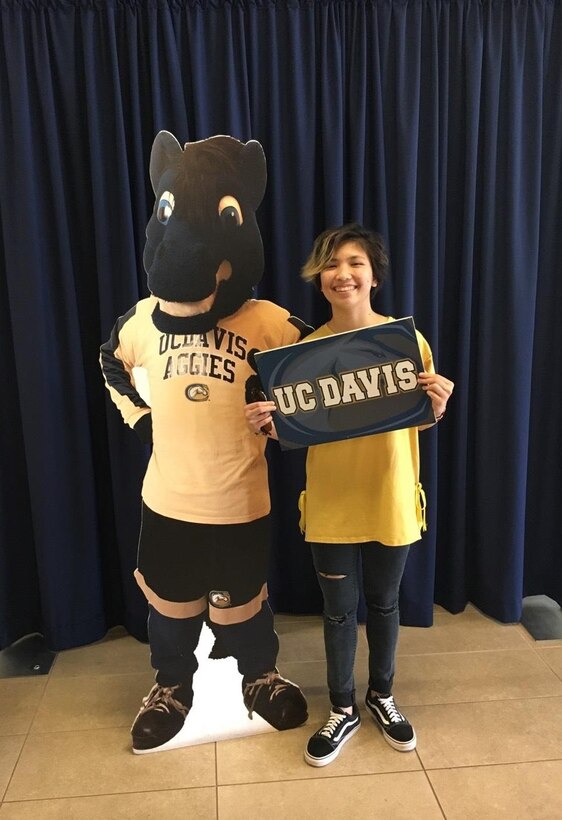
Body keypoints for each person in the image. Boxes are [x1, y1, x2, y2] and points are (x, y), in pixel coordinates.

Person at [100, 131, 310, 753]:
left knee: (244, 603)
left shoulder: (269, 321)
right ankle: (172, 686)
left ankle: (258, 677)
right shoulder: (141, 317)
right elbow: (111, 361)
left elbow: (321, 378)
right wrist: (140, 419)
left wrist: (287, 421)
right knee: (169, 609)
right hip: (167, 502)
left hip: (241, 501)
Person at [245, 223, 454, 767]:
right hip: (332, 503)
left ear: (374, 275)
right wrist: (268, 425)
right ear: (320, 280)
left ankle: (382, 695)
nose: (343, 274)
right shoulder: (301, 356)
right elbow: (293, 428)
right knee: (339, 612)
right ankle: (342, 706)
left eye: (355, 262)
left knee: (385, 604)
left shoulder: (406, 343)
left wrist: (436, 406)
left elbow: (413, 421)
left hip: (390, 497)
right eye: (332, 265)